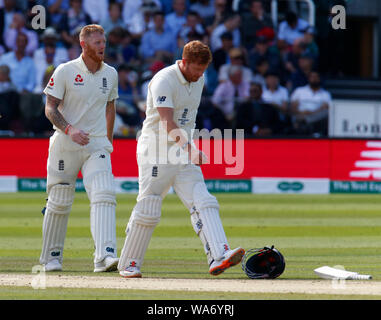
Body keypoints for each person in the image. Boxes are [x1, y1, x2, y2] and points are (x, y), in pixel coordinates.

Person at [118, 40, 245, 278]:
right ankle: (129, 263)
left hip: (182, 150)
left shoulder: (200, 79)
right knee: (149, 206)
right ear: (184, 62)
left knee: (203, 200)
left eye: (203, 70)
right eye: (196, 69)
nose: (199, 75)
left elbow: (189, 119)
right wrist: (190, 148)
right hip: (156, 150)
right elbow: (167, 121)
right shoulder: (163, 80)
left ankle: (219, 254)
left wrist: (189, 147)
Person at [40, 24, 119, 272]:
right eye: (97, 43)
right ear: (83, 45)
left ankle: (105, 256)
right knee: (60, 200)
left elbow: (110, 108)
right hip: (66, 143)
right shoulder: (65, 70)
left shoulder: (111, 73)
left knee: (104, 193)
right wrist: (70, 129)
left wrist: (108, 140)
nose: (102, 46)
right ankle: (51, 258)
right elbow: (50, 107)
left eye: (103, 41)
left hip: (96, 144)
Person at [290, 71, 332, 136]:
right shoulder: (299, 91)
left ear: (319, 79)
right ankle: (306, 122)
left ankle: (307, 121)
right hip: (300, 115)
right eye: (312, 77)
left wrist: (312, 113)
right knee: (294, 115)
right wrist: (302, 113)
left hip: (316, 118)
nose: (314, 79)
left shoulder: (325, 94)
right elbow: (293, 106)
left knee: (326, 112)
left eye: (316, 77)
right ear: (308, 78)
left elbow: (325, 108)